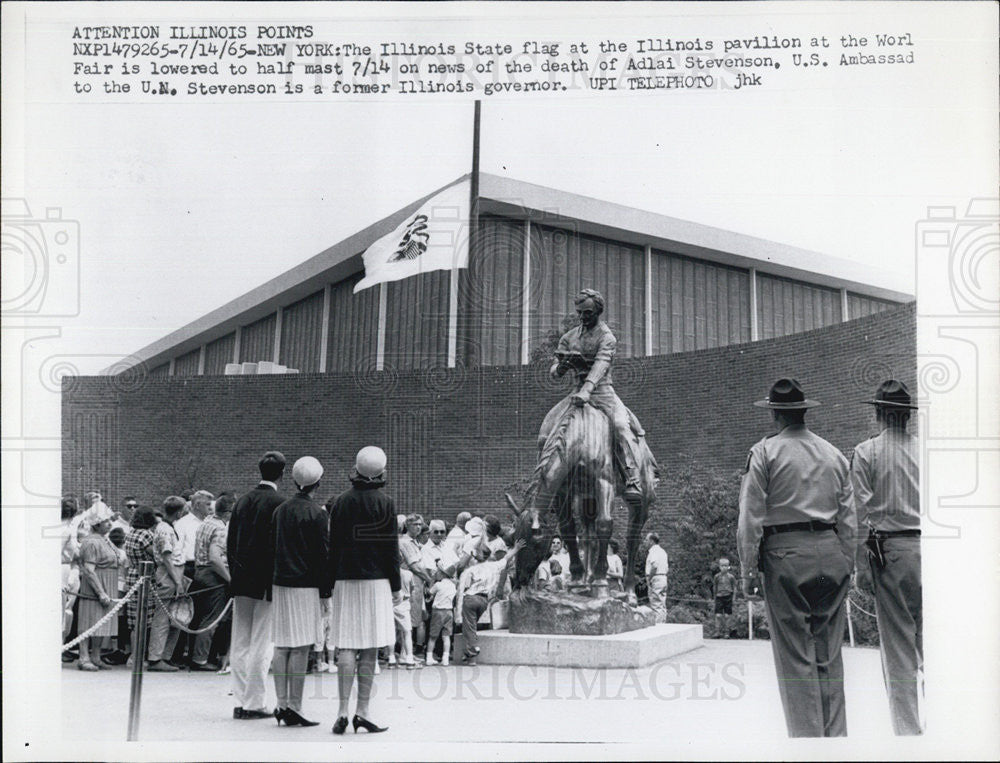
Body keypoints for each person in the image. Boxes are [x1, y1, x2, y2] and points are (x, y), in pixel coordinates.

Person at [737, 378, 856, 738]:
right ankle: (835, 742)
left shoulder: (765, 452)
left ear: (775, 413)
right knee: (828, 654)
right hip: (830, 551)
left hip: (785, 554)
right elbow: (850, 518)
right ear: (804, 411)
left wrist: (747, 569)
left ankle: (807, 746)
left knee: (795, 660)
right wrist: (849, 564)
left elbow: (750, 517)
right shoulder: (833, 453)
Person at [851, 380, 923, 735]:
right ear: (908, 417)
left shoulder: (866, 452)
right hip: (931, 548)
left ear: (878, 413)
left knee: (898, 650)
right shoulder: (926, 451)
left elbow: (860, 514)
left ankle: (909, 734)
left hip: (890, 552)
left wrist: (861, 566)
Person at [327, 446, 400, 735]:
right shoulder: (385, 503)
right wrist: (395, 586)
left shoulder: (341, 503)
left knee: (346, 644)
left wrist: (329, 582)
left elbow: (332, 548)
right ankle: (363, 711)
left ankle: (342, 710)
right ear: (380, 472)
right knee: (369, 647)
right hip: (376, 580)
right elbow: (390, 549)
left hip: (345, 579)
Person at [549, 288, 645, 506]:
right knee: (548, 428)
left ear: (598, 312)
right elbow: (554, 371)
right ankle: (545, 481)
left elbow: (601, 364)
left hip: (602, 393)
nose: (583, 317)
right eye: (580, 312)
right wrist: (561, 367)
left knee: (621, 425)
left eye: (588, 313)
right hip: (576, 392)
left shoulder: (607, 337)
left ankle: (632, 477)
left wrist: (587, 389)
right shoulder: (568, 337)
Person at [271, 456, 330, 728]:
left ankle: (281, 703)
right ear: (317, 482)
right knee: (301, 646)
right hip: (305, 584)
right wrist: (325, 591)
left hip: (280, 582)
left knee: (282, 643)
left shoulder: (280, 510)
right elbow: (322, 555)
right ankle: (294, 705)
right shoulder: (318, 514)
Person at [227, 450, 286, 720]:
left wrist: (235, 576)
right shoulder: (279, 503)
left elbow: (231, 544)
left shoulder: (242, 502)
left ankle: (240, 700)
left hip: (241, 580)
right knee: (262, 643)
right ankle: (254, 702)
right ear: (282, 474)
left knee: (240, 641)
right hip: (265, 582)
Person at [188, 492, 233, 671]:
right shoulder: (220, 528)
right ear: (228, 513)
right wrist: (229, 579)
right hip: (214, 575)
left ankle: (197, 654)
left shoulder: (205, 523)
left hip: (199, 571)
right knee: (212, 618)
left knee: (200, 617)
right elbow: (215, 558)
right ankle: (200, 659)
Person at [456, 541, 520, 666]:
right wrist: (516, 548)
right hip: (484, 600)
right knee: (472, 626)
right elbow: (506, 558)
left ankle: (472, 654)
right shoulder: (494, 566)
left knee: (469, 628)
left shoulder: (471, 570)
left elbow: (465, 586)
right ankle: (467, 653)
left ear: (474, 556)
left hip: (471, 598)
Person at [75, 503, 120, 671]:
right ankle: (84, 656)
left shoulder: (103, 539)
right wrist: (100, 592)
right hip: (96, 586)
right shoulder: (92, 541)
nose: (109, 524)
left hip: (107, 584)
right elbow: (89, 570)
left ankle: (96, 655)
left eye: (109, 520)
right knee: (88, 620)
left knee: (101, 622)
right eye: (105, 521)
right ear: (96, 524)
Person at [147, 495, 187, 671]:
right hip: (168, 574)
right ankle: (156, 658)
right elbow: (167, 557)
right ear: (178, 512)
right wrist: (177, 581)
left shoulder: (170, 527)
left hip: (175, 572)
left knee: (176, 617)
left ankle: (165, 655)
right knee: (163, 618)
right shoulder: (164, 529)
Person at [124, 506, 158, 665]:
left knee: (134, 621)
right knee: (145, 620)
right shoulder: (146, 535)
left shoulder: (130, 533)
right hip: (146, 577)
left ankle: (133, 655)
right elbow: (156, 555)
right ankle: (139, 656)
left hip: (132, 574)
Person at [399, 514, 433, 660]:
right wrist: (430, 580)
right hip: (410, 584)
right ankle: (405, 653)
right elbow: (415, 566)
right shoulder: (405, 542)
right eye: (415, 524)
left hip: (417, 584)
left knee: (414, 619)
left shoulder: (414, 542)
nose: (418, 527)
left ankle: (406, 652)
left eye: (420, 524)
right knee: (408, 619)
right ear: (408, 525)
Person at [61, 496, 81, 649]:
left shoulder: (67, 528)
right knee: (65, 609)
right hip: (63, 569)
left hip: (67, 567)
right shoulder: (66, 529)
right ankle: (60, 645)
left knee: (66, 608)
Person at [425, 570, 457, 666]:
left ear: (443, 574)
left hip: (438, 612)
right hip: (449, 612)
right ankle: (445, 658)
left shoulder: (438, 585)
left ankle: (429, 657)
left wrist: (431, 582)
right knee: (446, 636)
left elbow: (429, 592)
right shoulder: (453, 586)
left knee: (433, 636)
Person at [388, 563, 416, 669]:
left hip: (391, 603)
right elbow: (412, 589)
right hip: (404, 603)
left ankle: (391, 659)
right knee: (407, 632)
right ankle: (409, 658)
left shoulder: (388, 574)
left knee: (391, 632)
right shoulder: (409, 574)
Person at [644, 533, 669, 622]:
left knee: (656, 605)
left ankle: (658, 627)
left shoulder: (654, 551)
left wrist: (649, 578)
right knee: (662, 604)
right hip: (663, 578)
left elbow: (654, 566)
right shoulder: (663, 551)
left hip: (656, 578)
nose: (645, 542)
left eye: (646, 540)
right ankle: (663, 624)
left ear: (651, 541)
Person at [712, 558, 737, 638]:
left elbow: (734, 588)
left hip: (728, 596)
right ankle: (717, 632)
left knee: (727, 616)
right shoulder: (717, 576)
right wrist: (714, 597)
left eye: (726, 566)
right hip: (719, 596)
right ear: (719, 567)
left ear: (728, 566)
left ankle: (727, 633)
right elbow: (715, 587)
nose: (724, 568)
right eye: (722, 566)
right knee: (718, 615)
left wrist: (733, 598)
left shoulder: (731, 577)